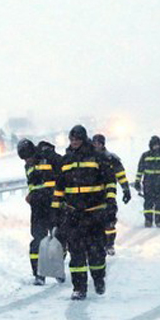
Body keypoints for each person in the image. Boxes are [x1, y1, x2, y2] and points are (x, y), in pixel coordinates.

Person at [53, 125, 116, 300]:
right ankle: (79, 288)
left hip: (94, 214)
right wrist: (56, 211)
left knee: (96, 252)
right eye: (72, 140)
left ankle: (98, 278)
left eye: (77, 139)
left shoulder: (97, 158)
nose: (74, 143)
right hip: (73, 215)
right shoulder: (65, 161)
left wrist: (110, 204)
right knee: (76, 253)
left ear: (84, 139)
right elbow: (59, 189)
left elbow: (110, 182)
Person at [17, 138, 62, 285]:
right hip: (37, 207)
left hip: (53, 204)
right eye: (23, 159)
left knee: (58, 237)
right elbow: (32, 184)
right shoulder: (27, 166)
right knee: (37, 238)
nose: (26, 161)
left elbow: (62, 174)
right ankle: (38, 274)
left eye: (28, 157)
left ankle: (57, 269)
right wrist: (31, 195)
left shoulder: (47, 156)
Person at [92, 134, 132, 256]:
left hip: (108, 194)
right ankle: (96, 244)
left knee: (109, 221)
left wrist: (126, 190)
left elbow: (120, 175)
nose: (96, 145)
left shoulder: (111, 158)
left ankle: (109, 244)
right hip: (92, 195)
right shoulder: (88, 158)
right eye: (94, 143)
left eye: (99, 143)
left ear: (103, 144)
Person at [134, 136, 160, 228]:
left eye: (157, 145)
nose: (156, 147)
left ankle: (158, 221)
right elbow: (140, 169)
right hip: (148, 183)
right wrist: (137, 181)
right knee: (148, 203)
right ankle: (148, 220)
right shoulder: (145, 155)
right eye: (154, 145)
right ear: (150, 145)